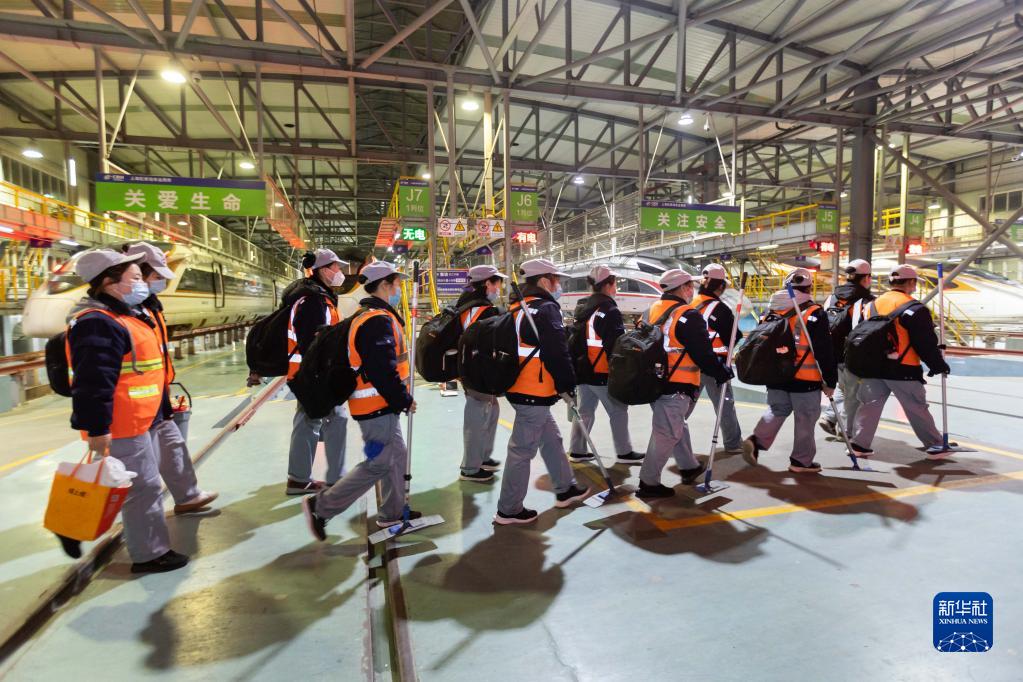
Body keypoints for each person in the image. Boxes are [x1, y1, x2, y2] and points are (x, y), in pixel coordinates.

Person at [63, 249, 188, 572]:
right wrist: (97, 429)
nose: (142, 283)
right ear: (109, 282)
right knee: (143, 487)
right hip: (121, 422)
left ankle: (72, 524)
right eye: (135, 278)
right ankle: (149, 554)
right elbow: (93, 382)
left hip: (139, 418)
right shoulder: (97, 323)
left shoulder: (124, 315)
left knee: (130, 483)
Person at [302, 261, 422, 539]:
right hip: (375, 406)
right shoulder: (375, 321)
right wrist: (403, 399)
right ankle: (321, 506)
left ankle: (392, 513)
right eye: (396, 284)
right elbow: (382, 370)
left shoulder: (370, 315)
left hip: (381, 405)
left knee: (397, 457)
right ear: (384, 285)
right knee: (379, 463)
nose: (399, 290)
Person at [495, 258, 590, 525]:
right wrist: (567, 384)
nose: (558, 285)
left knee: (551, 440)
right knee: (522, 451)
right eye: (556, 280)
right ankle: (508, 510)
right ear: (545, 281)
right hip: (534, 391)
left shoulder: (517, 307)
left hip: (520, 386)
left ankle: (566, 488)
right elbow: (557, 353)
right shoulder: (546, 309)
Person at [125, 242, 217, 515]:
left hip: (158, 393)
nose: (162, 282)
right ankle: (147, 537)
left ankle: (188, 496)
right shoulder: (120, 314)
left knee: (173, 446)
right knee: (143, 476)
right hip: (134, 405)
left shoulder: (149, 307)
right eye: (156, 276)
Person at [637, 269, 732, 499]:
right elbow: (703, 354)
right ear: (682, 288)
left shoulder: (651, 310)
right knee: (666, 432)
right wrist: (721, 372)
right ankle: (648, 483)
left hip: (653, 381)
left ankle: (689, 466)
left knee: (675, 425)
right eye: (690, 286)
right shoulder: (687, 315)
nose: (693, 290)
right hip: (677, 384)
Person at [850, 264, 953, 459]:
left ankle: (859, 445)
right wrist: (938, 365)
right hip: (903, 368)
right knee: (916, 407)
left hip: (873, 367)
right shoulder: (914, 308)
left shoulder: (871, 305)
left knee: (869, 405)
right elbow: (925, 343)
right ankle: (936, 445)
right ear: (912, 282)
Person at [742, 268, 838, 474]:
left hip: (775, 375)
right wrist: (830, 381)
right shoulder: (814, 313)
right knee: (805, 418)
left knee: (777, 409)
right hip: (805, 378)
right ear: (809, 288)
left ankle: (756, 441)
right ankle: (801, 461)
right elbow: (824, 351)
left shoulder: (770, 312)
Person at [283, 249, 349, 495]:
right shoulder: (313, 301)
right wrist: (324, 371)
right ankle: (309, 478)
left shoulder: (319, 297)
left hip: (312, 371)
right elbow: (311, 342)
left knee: (315, 420)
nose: (340, 272)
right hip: (313, 372)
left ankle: (302, 477)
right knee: (322, 420)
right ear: (323, 270)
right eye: (336, 267)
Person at [567, 264, 643, 465]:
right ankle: (624, 452)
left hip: (583, 370)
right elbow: (615, 346)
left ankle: (577, 450)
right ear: (609, 284)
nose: (616, 287)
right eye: (615, 282)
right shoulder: (610, 309)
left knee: (585, 411)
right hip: (601, 372)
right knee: (618, 410)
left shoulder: (584, 306)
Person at [457, 264, 508, 483]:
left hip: (469, 369)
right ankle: (470, 468)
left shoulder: (464, 306)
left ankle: (483, 457)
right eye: (497, 284)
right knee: (477, 418)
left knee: (491, 411)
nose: (498, 288)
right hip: (478, 373)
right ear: (487, 283)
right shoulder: (484, 310)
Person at [691, 263, 744, 455]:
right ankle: (733, 443)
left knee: (684, 405)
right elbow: (734, 336)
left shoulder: (691, 303)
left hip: (689, 364)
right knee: (724, 405)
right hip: (715, 365)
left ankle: (672, 436)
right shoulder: (720, 309)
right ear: (720, 286)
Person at [819, 259, 875, 437]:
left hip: (831, 355)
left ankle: (829, 417)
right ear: (866, 278)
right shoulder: (867, 301)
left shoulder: (832, 298)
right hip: (853, 356)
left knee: (844, 388)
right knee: (854, 396)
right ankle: (847, 432)